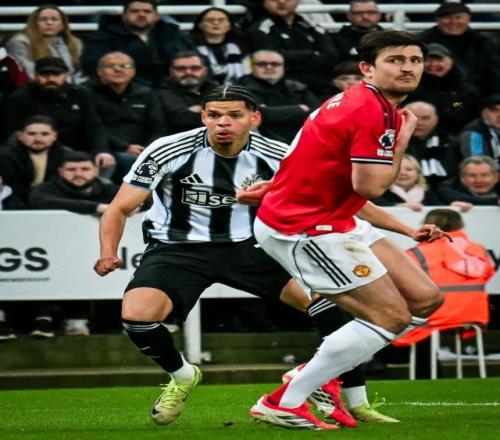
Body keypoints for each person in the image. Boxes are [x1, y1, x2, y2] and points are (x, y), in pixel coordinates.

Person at [93, 85, 394, 429]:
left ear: (254, 118)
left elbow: (339, 197)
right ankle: (183, 375)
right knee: (137, 318)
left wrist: (405, 228)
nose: (223, 123)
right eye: (214, 115)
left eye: (234, 115)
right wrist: (108, 253)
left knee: (333, 306)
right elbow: (119, 208)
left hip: (252, 247)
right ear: (203, 117)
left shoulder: (279, 154)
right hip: (178, 248)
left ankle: (356, 402)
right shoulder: (167, 149)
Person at [241, 30, 449, 430]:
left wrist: (405, 229)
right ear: (367, 68)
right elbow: (369, 187)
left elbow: (317, 164)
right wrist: (401, 144)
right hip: (304, 227)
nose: (408, 67)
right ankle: (285, 400)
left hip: (338, 218)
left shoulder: (358, 101)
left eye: (415, 60)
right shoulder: (373, 112)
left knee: (425, 299)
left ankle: (317, 372)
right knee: (389, 316)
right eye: (395, 60)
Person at [394, 208, 495, 379]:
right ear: (460, 225)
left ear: (426, 225)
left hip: (434, 314)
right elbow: (488, 274)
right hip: (474, 314)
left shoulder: (417, 252)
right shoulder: (478, 249)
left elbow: (403, 283)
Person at [2, 57, 113, 174]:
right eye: (44, 74)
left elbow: (94, 125)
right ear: (35, 75)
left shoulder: (80, 94)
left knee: (106, 162)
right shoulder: (21, 97)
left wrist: (102, 151)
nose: (51, 79)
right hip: (38, 150)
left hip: (79, 150)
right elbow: (11, 132)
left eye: (56, 74)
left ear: (66, 75)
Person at [85, 51, 166, 181]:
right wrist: (125, 147)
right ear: (99, 71)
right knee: (130, 161)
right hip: (106, 148)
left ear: (133, 71)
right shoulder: (86, 92)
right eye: (111, 66)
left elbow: (158, 126)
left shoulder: (145, 93)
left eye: (126, 66)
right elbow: (93, 127)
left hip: (142, 148)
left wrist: (149, 148)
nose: (118, 70)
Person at [81, 0, 195, 88]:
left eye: (147, 11)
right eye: (134, 11)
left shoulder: (174, 35)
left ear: (156, 17)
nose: (141, 14)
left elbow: (195, 59)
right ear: (123, 16)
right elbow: (92, 65)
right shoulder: (103, 37)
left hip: (173, 89)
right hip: (122, 91)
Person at [245, 0, 338, 96]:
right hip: (284, 90)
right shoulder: (260, 29)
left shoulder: (311, 26)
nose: (281, 1)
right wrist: (311, 54)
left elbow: (331, 56)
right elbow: (274, 59)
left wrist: (293, 57)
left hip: (321, 86)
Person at [237, 50, 321, 143]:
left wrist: (275, 113)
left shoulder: (296, 86)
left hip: (303, 137)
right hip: (266, 142)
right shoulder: (243, 88)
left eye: (275, 64)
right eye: (262, 64)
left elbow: (318, 112)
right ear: (252, 66)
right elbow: (260, 115)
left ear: (283, 67)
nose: (269, 67)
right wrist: (299, 109)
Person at [419, 3, 500, 97]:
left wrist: (495, 99)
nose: (453, 22)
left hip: (476, 96)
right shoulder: (422, 41)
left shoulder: (482, 42)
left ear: (468, 19)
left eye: (458, 17)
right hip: (431, 94)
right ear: (438, 20)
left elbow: (494, 74)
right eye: (447, 18)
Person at [405, 42, 482, 134]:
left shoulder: (467, 91)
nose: (433, 64)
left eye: (439, 60)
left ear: (451, 62)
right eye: (428, 60)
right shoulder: (408, 88)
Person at [5, 4, 85, 84]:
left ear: (62, 25)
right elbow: (30, 74)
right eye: (43, 19)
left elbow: (78, 73)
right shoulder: (20, 42)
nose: (49, 23)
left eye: (54, 19)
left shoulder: (75, 43)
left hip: (70, 87)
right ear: (34, 23)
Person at [0, 115, 71, 204]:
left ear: (55, 136)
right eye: (32, 134)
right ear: (20, 136)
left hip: (53, 202)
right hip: (12, 203)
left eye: (45, 134)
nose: (38, 139)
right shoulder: (4, 156)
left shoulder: (66, 155)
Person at [29, 151, 119, 215]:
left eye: (85, 169)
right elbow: (40, 201)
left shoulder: (110, 190)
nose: (78, 174)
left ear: (96, 171)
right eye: (71, 169)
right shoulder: (47, 189)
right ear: (61, 172)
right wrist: (96, 207)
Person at [403, 101, 460, 191]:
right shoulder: (390, 142)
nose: (419, 123)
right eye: (414, 118)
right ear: (403, 118)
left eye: (425, 118)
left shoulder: (450, 143)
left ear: (435, 120)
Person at [157, 51, 218, 135]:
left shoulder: (216, 89)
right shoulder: (161, 92)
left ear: (205, 70)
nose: (188, 72)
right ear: (171, 71)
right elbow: (180, 119)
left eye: (195, 68)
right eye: (180, 69)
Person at [189, 7, 250, 85]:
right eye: (210, 20)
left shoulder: (241, 47)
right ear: (200, 25)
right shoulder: (190, 47)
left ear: (230, 25)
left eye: (221, 20)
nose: (215, 23)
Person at [372, 154, 443, 211]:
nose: (403, 173)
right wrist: (397, 206)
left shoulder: (430, 194)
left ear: (418, 173)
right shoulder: (379, 194)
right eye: (398, 169)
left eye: (409, 169)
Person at [457, 94, 500, 169]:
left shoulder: (496, 129)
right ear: (484, 113)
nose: (499, 115)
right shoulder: (473, 133)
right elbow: (478, 167)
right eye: (494, 111)